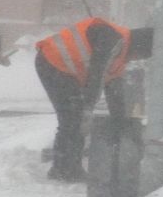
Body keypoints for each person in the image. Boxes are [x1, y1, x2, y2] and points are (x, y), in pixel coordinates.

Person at [34, 17, 155, 182]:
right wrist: (88, 106)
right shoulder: (111, 38)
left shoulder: (120, 58)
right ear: (139, 48)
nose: (137, 60)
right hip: (53, 62)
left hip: (67, 71)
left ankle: (68, 168)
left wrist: (120, 122)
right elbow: (96, 73)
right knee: (72, 119)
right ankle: (63, 170)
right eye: (141, 57)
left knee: (75, 119)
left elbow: (114, 92)